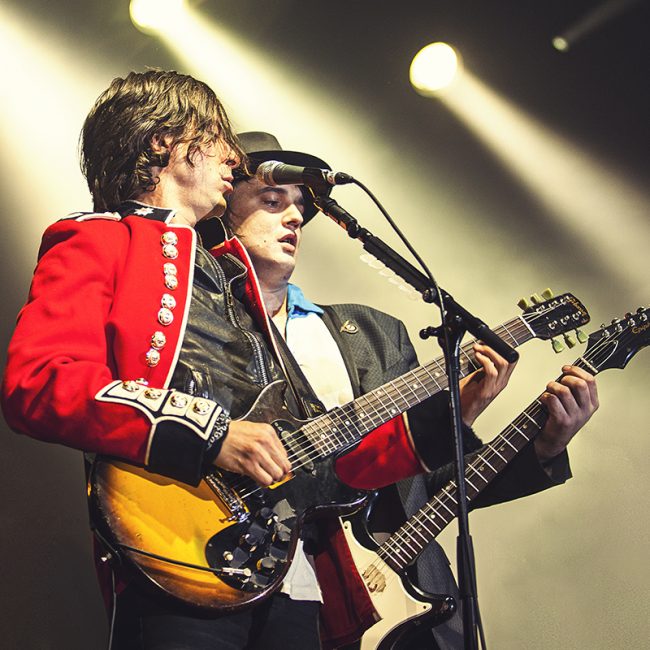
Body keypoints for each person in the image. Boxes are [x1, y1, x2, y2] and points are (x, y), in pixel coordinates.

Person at [0, 67, 597, 650]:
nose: (233, 162)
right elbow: (38, 383)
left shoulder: (237, 281)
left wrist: (455, 413)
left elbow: (329, 455)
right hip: (177, 542)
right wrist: (211, 436)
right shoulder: (99, 239)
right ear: (165, 143)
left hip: (287, 570)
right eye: (216, 142)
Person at [209, 132, 599, 650]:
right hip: (261, 595)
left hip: (402, 602)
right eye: (273, 200)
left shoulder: (374, 334)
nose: (296, 218)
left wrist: (537, 443)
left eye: (302, 206)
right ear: (221, 210)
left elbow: (435, 484)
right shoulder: (202, 335)